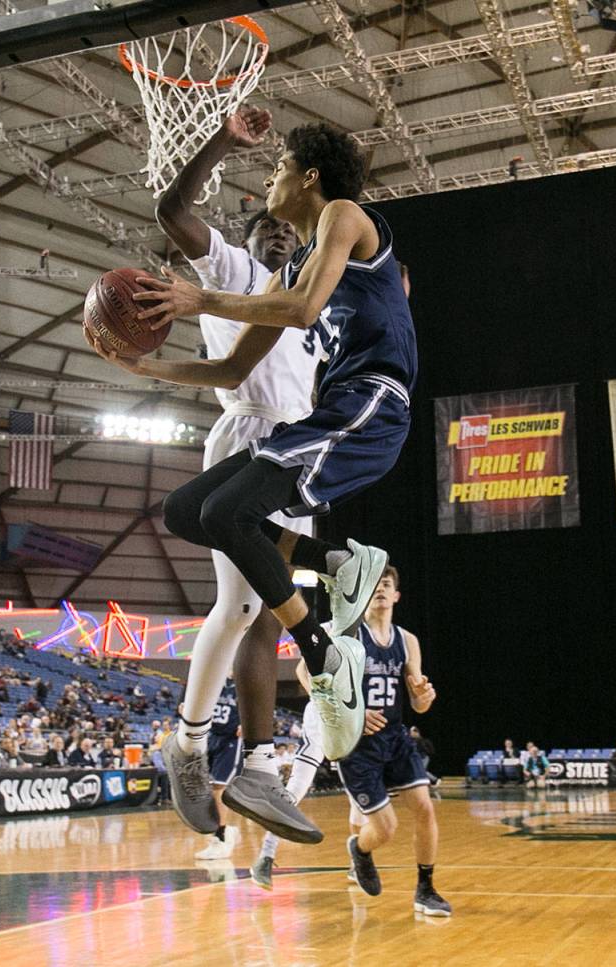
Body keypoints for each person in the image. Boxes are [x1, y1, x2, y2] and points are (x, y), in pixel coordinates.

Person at [93, 114, 415, 843]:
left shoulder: (342, 215)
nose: (269, 179)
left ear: (307, 176)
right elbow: (234, 367)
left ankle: (319, 657)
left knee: (246, 584)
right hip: (305, 420)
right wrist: (147, 368)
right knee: (189, 511)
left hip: (368, 406)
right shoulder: (282, 269)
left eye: (278, 166)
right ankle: (333, 569)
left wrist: (197, 302)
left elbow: (301, 309)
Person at [330, 567, 450, 916]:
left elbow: (418, 704)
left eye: (387, 585)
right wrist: (352, 712)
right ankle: (361, 849)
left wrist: (424, 695)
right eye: (375, 585)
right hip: (357, 746)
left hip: (395, 738)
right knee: (386, 828)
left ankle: (425, 889)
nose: (381, 589)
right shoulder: (348, 635)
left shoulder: (407, 640)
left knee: (425, 808)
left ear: (396, 595)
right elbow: (306, 674)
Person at [249, 662, 336, 889]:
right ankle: (266, 856)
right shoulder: (326, 629)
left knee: (362, 798)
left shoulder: (365, 637)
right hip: (321, 716)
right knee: (295, 790)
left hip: (353, 717)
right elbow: (300, 669)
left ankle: (360, 855)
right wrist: (316, 695)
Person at [192, 678, 244, 861]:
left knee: (218, 788)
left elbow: (259, 700)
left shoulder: (243, 681)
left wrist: (248, 722)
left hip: (231, 739)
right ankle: (224, 831)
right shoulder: (210, 678)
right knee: (209, 789)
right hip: (210, 735)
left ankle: (220, 838)